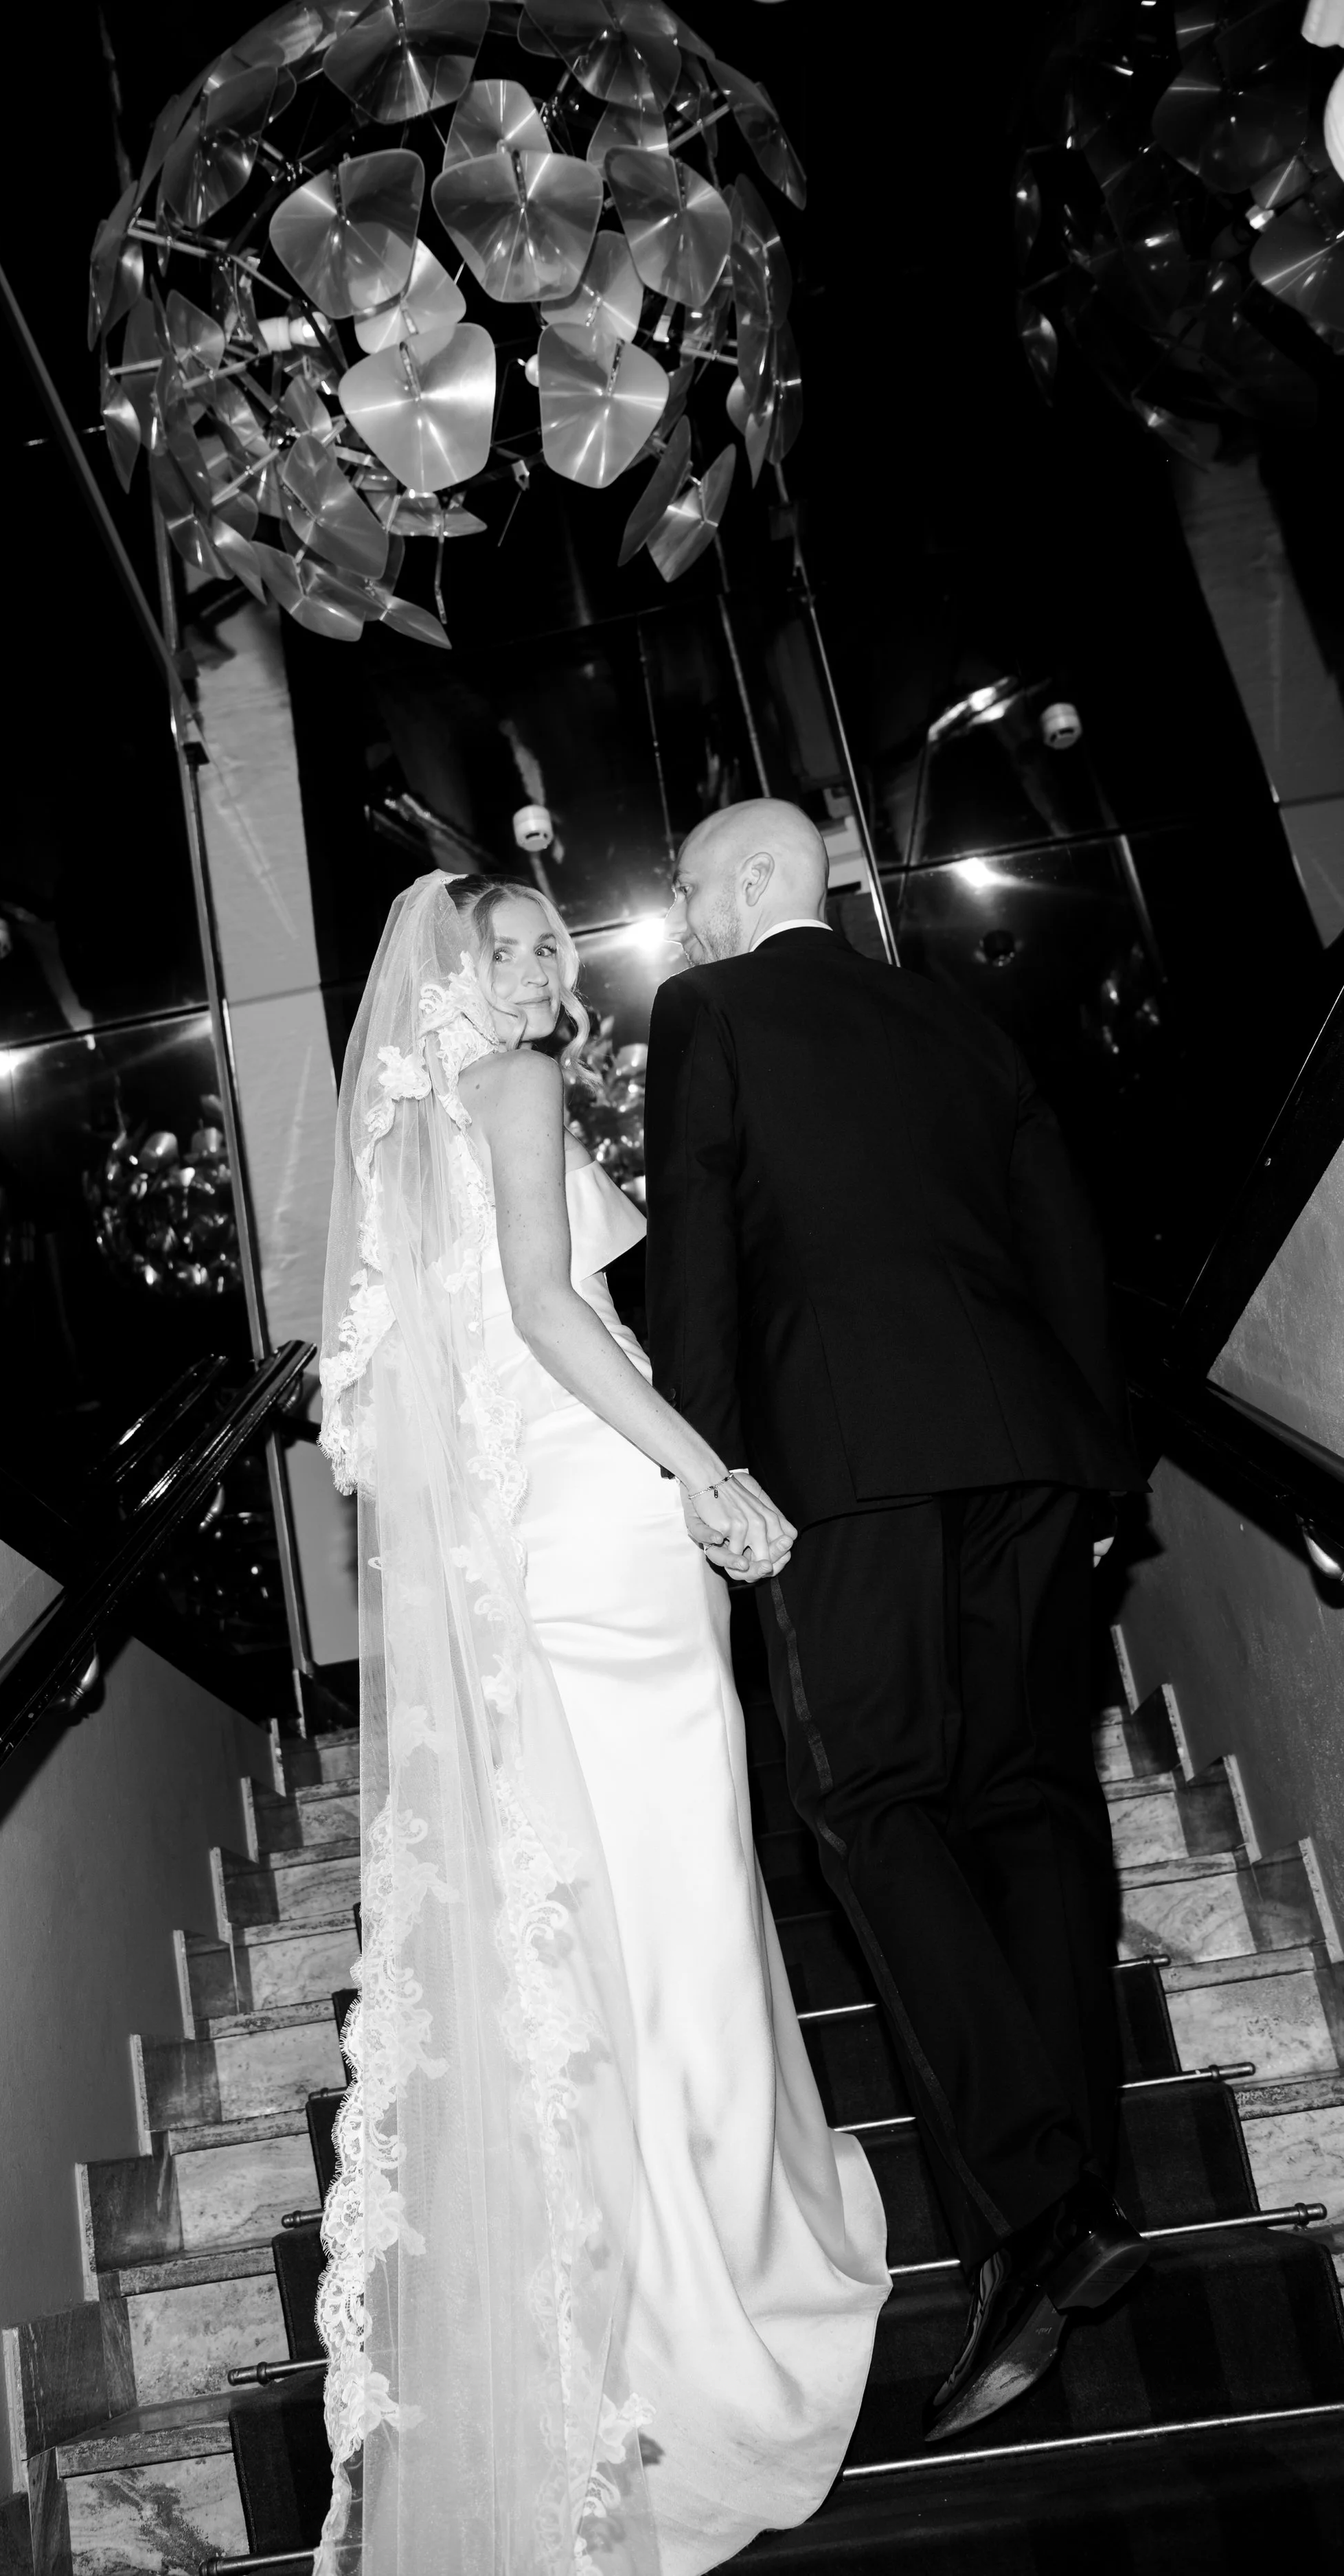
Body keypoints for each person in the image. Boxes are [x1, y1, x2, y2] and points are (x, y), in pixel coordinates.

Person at [315, 870, 889, 2576]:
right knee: (675, 1896)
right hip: (602, 1507)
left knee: (605, 1910)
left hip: (533, 1536)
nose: (535, 969)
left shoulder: (407, 1129)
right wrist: (702, 1467)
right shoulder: (515, 1085)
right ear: (451, 974)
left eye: (547, 943)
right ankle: (710, 2294)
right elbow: (549, 1307)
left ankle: (630, 2287)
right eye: (502, 949)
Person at [643, 798, 1148, 2447]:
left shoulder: (708, 1009)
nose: (684, 922)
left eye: (690, 891)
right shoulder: (954, 1018)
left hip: (842, 1459)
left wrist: (706, 1470)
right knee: (1030, 1803)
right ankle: (1078, 2195)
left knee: (868, 1801)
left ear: (751, 882)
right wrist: (1099, 1464)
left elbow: (698, 1249)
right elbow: (1064, 1238)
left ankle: (1034, 2205)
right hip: (1026, 1450)